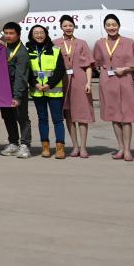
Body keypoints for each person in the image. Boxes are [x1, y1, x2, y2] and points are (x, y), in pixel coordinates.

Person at [93, 13, 134, 162]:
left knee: (126, 117)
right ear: (104, 27)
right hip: (108, 82)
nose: (111, 27)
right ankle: (120, 148)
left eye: (114, 24)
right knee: (114, 116)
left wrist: (126, 69)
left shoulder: (130, 42)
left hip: (125, 80)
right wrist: (102, 70)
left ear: (119, 26)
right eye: (108, 25)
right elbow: (96, 62)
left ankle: (127, 150)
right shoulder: (100, 43)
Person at [55, 14, 95, 158]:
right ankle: (75, 146)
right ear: (61, 27)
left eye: (70, 25)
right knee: (69, 115)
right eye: (65, 26)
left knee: (82, 115)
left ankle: (83, 147)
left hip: (80, 80)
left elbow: (88, 65)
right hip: (63, 81)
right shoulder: (55, 43)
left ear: (74, 26)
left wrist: (88, 82)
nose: (68, 28)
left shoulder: (82, 43)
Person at [27, 24, 67, 159]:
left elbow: (60, 70)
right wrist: (35, 84)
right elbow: (27, 71)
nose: (39, 35)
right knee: (42, 119)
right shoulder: (28, 51)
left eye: (41, 32)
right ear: (32, 35)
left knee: (57, 119)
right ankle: (45, 147)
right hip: (38, 91)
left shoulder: (55, 50)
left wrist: (49, 84)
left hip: (54, 91)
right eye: (36, 33)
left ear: (46, 34)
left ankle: (60, 148)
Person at [0, 22, 31, 159]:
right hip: (4, 89)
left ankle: (25, 145)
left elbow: (20, 77)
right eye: (6, 33)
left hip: (18, 89)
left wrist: (17, 96)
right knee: (7, 116)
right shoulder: (3, 47)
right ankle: (13, 143)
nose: (8, 36)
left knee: (21, 117)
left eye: (11, 33)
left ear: (18, 35)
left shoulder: (22, 52)